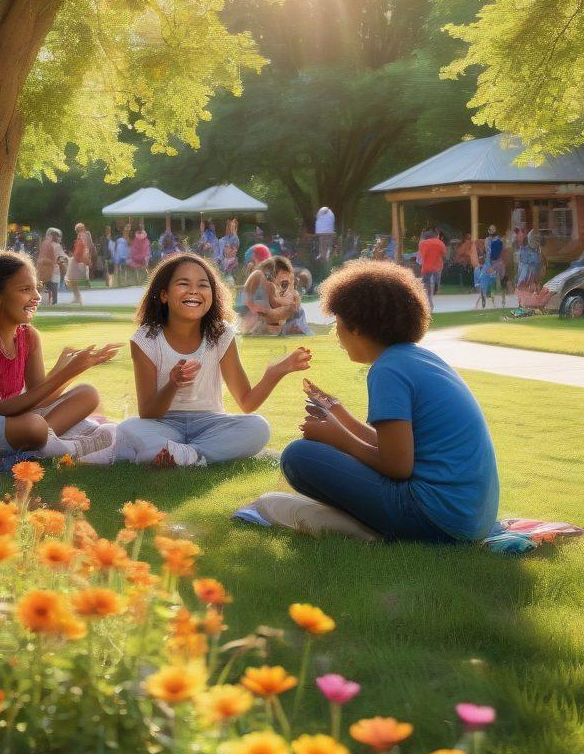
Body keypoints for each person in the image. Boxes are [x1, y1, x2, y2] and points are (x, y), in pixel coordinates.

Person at [279, 262, 499, 542]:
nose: (337, 334)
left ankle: (374, 530)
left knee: (298, 456)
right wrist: (339, 414)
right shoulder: (415, 358)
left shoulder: (387, 370)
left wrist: (337, 438)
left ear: (357, 327)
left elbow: (397, 466)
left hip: (436, 519)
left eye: (338, 322)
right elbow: (397, 450)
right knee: (309, 455)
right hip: (468, 521)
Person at [115, 253, 309, 466]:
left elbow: (247, 402)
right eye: (183, 283)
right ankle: (188, 453)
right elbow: (148, 412)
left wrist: (275, 372)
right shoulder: (146, 338)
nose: (194, 291)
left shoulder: (221, 334)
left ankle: (190, 454)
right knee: (127, 429)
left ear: (212, 294)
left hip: (210, 424)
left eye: (202, 285)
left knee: (258, 427)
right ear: (164, 295)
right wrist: (173, 384)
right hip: (163, 424)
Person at [0, 251, 120, 460]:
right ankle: (63, 449)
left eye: (36, 288)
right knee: (34, 426)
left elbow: (39, 398)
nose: (37, 297)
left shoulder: (29, 336)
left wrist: (74, 369)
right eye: (25, 289)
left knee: (87, 393)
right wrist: (63, 374)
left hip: (10, 424)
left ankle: (40, 446)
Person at [416, 227, 446, 312]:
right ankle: (437, 286)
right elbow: (444, 254)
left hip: (426, 268)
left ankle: (430, 305)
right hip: (437, 266)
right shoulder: (440, 243)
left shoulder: (423, 244)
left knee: (427, 286)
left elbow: (421, 256)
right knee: (436, 278)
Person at [36, 228, 63, 306]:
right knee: (51, 284)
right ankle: (53, 301)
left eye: (58, 236)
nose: (57, 237)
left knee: (49, 284)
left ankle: (51, 301)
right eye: (55, 235)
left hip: (50, 267)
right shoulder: (49, 244)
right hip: (49, 267)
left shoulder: (49, 244)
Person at [66, 222, 91, 305]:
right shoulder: (81, 237)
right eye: (77, 230)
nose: (78, 231)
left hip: (78, 261)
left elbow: (83, 249)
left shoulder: (83, 236)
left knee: (72, 280)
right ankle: (77, 297)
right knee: (72, 280)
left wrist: (77, 258)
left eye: (80, 229)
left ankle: (78, 298)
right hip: (77, 260)